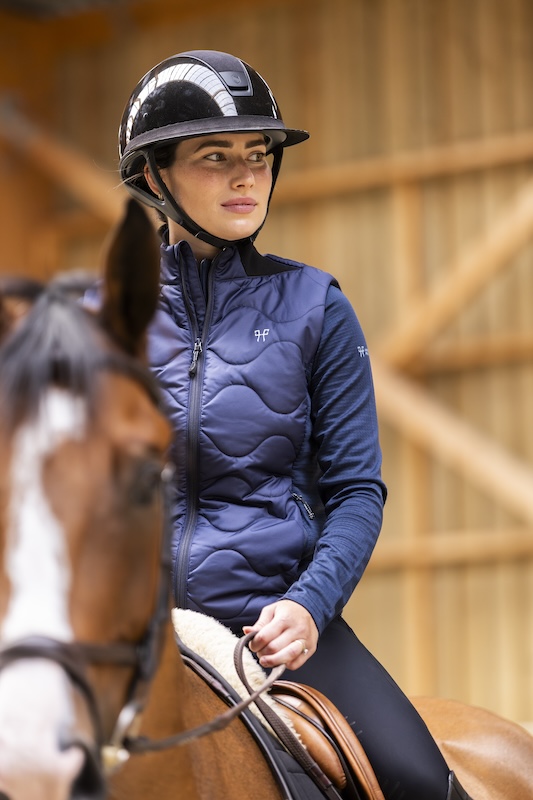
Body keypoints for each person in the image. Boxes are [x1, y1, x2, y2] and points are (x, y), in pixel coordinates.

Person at [118, 49, 473, 800]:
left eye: (258, 155)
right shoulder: (103, 321)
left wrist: (307, 607)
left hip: (273, 627)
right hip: (127, 636)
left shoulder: (316, 308)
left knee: (418, 780)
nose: (246, 177)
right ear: (155, 176)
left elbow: (355, 493)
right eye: (216, 158)